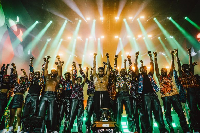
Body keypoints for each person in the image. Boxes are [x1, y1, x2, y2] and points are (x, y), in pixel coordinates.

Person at [154, 51, 190, 133]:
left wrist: (172, 56)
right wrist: (155, 58)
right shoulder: (159, 77)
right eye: (162, 71)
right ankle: (171, 128)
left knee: (180, 111)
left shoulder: (169, 75)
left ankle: (185, 128)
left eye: (164, 70)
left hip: (174, 95)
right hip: (165, 97)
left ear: (166, 72)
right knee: (168, 113)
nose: (163, 71)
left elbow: (172, 66)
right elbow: (156, 68)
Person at [138, 51, 167, 133]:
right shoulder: (139, 76)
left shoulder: (150, 75)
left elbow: (152, 67)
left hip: (153, 95)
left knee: (158, 111)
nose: (144, 69)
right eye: (142, 69)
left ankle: (162, 129)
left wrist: (152, 58)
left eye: (145, 68)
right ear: (141, 70)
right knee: (148, 113)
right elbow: (136, 69)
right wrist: (137, 61)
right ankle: (149, 130)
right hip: (145, 96)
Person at [174, 48, 200, 132]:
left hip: (197, 89)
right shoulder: (182, 74)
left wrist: (189, 54)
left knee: (197, 109)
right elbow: (178, 64)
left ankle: (197, 125)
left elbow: (190, 63)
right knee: (193, 110)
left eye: (187, 66)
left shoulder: (191, 72)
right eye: (184, 67)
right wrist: (176, 55)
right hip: (189, 91)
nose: (186, 67)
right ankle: (195, 127)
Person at [38, 55, 62, 132]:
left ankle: (50, 129)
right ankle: (40, 129)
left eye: (54, 71)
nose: (53, 71)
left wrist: (58, 60)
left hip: (52, 95)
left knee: (51, 114)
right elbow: (45, 69)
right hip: (45, 95)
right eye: (52, 71)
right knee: (41, 113)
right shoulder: (47, 77)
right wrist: (47, 61)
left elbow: (60, 70)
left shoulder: (57, 79)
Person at [22, 57, 43, 132]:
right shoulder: (32, 79)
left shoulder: (41, 80)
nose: (36, 75)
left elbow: (44, 72)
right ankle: (24, 127)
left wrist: (45, 62)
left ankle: (32, 128)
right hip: (29, 95)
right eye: (36, 74)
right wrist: (31, 61)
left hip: (36, 96)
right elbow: (31, 71)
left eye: (38, 74)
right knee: (25, 111)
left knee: (33, 112)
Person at [67, 63, 86, 132]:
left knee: (80, 115)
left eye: (80, 79)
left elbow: (85, 78)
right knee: (72, 114)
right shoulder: (74, 84)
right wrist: (74, 68)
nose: (79, 80)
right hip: (74, 100)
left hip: (80, 100)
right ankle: (69, 128)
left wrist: (81, 69)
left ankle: (80, 129)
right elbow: (73, 77)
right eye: (78, 79)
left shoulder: (82, 85)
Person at [9, 68, 28, 133]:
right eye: (21, 79)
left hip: (20, 98)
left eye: (23, 79)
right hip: (14, 98)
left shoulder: (24, 85)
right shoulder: (16, 84)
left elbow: (27, 79)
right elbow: (13, 78)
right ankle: (10, 128)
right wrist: (14, 70)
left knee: (19, 114)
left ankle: (19, 129)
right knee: (12, 115)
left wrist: (24, 72)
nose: (22, 80)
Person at [93, 53, 110, 121]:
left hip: (105, 92)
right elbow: (94, 67)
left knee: (105, 107)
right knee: (96, 107)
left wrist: (108, 58)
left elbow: (108, 68)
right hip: (97, 92)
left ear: (103, 71)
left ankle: (105, 118)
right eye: (99, 71)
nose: (101, 72)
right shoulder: (95, 76)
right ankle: (97, 119)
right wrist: (94, 57)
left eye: (102, 71)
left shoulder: (106, 77)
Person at [0, 64, 10, 132]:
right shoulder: (1, 83)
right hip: (0, 96)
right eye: (5, 78)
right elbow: (4, 74)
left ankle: (2, 126)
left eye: (7, 78)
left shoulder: (8, 84)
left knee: (3, 112)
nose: (6, 79)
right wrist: (5, 68)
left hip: (5, 98)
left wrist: (6, 68)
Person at [85, 67, 95, 132]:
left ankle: (94, 127)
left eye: (92, 76)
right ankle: (88, 127)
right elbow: (85, 78)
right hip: (90, 98)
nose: (91, 77)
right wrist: (87, 71)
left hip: (96, 98)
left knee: (96, 113)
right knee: (88, 113)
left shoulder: (97, 82)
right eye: (90, 76)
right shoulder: (89, 82)